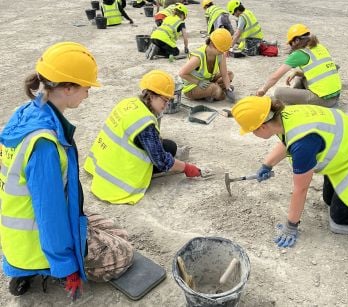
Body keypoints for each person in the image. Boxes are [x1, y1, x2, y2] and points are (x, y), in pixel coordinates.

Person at [0, 42, 133, 299]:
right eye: (86, 88)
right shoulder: (44, 145)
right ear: (68, 88)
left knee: (117, 232)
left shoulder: (29, 111)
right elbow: (49, 215)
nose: (87, 94)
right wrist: (67, 268)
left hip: (22, 230)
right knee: (124, 253)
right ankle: (42, 267)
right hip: (36, 240)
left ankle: (26, 268)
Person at [230, 96, 348, 248]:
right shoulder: (285, 115)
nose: (252, 134)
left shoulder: (303, 144)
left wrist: (291, 226)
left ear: (262, 127)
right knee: (329, 199)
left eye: (251, 130)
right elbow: (287, 140)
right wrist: (267, 164)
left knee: (341, 216)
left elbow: (301, 189)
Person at [84, 70, 202, 205]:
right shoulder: (145, 125)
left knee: (169, 146)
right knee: (168, 151)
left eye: (169, 100)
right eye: (164, 100)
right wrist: (186, 167)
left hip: (104, 161)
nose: (166, 105)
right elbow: (162, 161)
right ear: (151, 95)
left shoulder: (128, 103)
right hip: (120, 178)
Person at [255, 24, 340, 107]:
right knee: (301, 77)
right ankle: (296, 95)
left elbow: (275, 77)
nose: (291, 46)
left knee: (278, 92)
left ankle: (295, 97)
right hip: (335, 95)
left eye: (291, 43)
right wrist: (296, 72)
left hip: (323, 99)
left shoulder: (299, 54)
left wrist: (263, 90)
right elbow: (319, 70)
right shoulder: (320, 47)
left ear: (296, 41)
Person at [178, 28, 236, 102]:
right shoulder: (198, 57)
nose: (222, 52)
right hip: (192, 86)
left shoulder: (220, 54)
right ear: (212, 44)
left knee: (230, 74)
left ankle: (209, 93)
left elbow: (224, 74)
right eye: (221, 50)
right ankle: (213, 92)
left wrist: (228, 88)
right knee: (216, 90)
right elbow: (182, 73)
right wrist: (198, 82)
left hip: (207, 80)